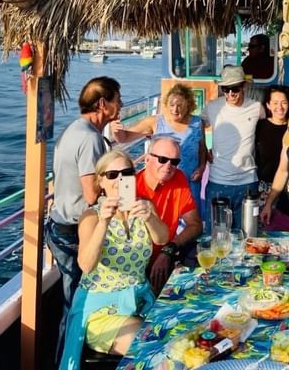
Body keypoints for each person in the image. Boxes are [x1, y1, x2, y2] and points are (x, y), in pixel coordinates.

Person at [59, 150, 169, 370]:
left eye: (126, 173)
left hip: (139, 301)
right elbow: (86, 265)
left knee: (180, 333)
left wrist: (149, 217)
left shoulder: (144, 207)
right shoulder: (91, 216)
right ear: (101, 181)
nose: (120, 180)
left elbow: (163, 238)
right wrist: (104, 222)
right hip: (101, 311)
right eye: (112, 175)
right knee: (152, 346)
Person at [45, 76, 122, 361]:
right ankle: (65, 361)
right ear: (103, 103)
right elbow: (91, 195)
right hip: (73, 233)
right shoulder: (90, 138)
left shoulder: (75, 130)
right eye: (117, 99)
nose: (121, 104)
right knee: (76, 305)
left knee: (73, 302)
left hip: (59, 225)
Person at [113, 83, 207, 215]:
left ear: (188, 105)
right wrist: (116, 131)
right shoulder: (156, 122)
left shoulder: (198, 123)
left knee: (191, 220)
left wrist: (202, 167)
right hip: (163, 182)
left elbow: (202, 148)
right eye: (171, 105)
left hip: (190, 181)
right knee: (163, 217)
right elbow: (124, 138)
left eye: (179, 105)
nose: (175, 110)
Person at [136, 136, 203, 292]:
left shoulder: (178, 177)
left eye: (174, 162)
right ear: (147, 159)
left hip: (167, 255)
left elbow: (195, 224)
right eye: (162, 159)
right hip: (137, 265)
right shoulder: (132, 187)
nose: (168, 166)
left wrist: (169, 250)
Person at [202, 65, 265, 230]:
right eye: (226, 89)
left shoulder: (257, 108)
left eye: (234, 88)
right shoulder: (212, 107)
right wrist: (204, 150)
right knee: (215, 236)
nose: (230, 93)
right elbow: (196, 127)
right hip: (218, 181)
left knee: (247, 236)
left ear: (244, 86)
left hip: (248, 182)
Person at [254, 85, 289, 208]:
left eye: (284, 103)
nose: (280, 107)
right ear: (268, 105)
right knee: (264, 223)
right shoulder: (259, 126)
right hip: (265, 187)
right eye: (275, 103)